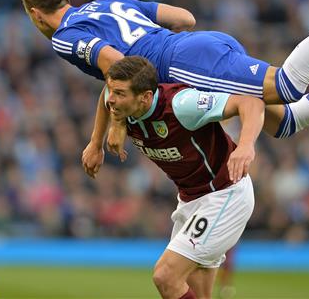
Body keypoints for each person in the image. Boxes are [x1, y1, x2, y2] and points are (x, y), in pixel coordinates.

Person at [21, 0, 309, 156]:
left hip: (182, 61)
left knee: (285, 86)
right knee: (283, 121)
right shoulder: (107, 3)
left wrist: (119, 124)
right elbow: (184, 17)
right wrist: (96, 137)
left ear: (36, 14)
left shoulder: (64, 37)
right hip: (193, 45)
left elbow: (117, 64)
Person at [84, 56, 264, 299]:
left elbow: (250, 103)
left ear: (146, 97)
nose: (112, 100)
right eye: (112, 91)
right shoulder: (121, 104)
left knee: (166, 275)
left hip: (225, 193)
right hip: (190, 201)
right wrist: (97, 143)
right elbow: (106, 94)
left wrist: (245, 146)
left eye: (120, 93)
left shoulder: (183, 104)